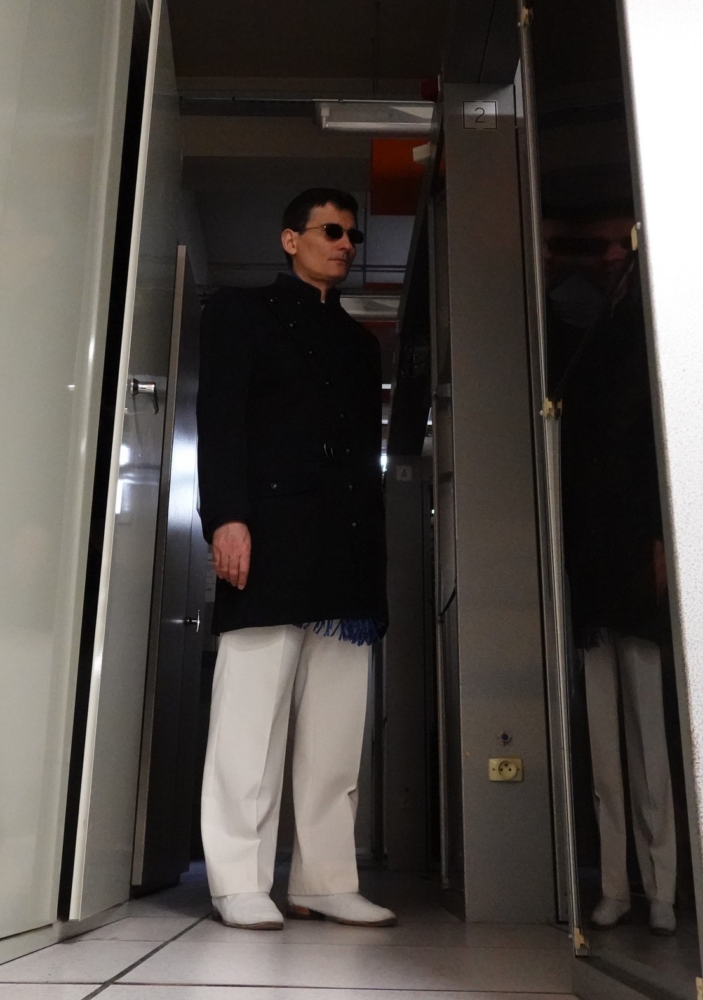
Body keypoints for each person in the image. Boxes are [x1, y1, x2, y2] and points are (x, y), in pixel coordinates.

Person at [195, 188, 393, 931]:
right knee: (249, 715)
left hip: (346, 544)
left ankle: (326, 880)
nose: (344, 244)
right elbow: (220, 420)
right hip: (269, 535)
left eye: (352, 235)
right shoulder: (240, 313)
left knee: (336, 730)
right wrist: (228, 517)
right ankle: (237, 879)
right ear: (290, 239)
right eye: (330, 230)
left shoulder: (360, 344)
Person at [546, 204, 678, 936]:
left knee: (648, 730)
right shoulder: (584, 335)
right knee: (604, 737)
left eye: (614, 246)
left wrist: (659, 540)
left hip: (635, 543)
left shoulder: (649, 335)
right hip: (594, 551)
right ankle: (623, 885)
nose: (604, 259)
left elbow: (656, 450)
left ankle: (660, 886)